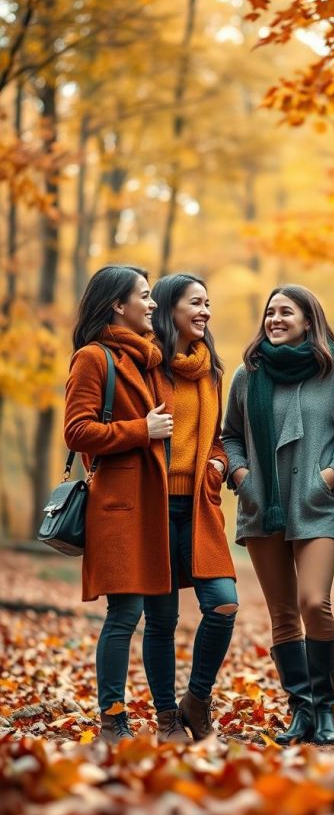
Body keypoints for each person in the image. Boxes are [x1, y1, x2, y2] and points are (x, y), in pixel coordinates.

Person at [222, 284, 334, 746]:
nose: (275, 319)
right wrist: (242, 476)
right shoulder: (247, 375)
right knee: (282, 613)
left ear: (308, 320)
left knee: (313, 602)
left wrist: (332, 475)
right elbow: (231, 436)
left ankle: (326, 710)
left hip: (316, 505)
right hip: (263, 506)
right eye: (269, 312)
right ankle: (300, 712)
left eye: (286, 312)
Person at [64, 265, 174, 743]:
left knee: (148, 615)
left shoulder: (146, 359)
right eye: (145, 296)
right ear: (117, 304)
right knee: (124, 614)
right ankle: (112, 719)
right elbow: (77, 431)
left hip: (151, 502)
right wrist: (141, 431)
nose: (152, 305)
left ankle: (153, 715)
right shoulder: (93, 358)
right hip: (117, 505)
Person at [142, 273, 238, 744]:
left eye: (207, 303)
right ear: (168, 308)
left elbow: (217, 440)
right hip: (152, 507)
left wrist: (218, 465)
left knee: (223, 603)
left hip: (200, 506)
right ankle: (165, 717)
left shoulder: (211, 371)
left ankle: (196, 702)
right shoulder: (146, 367)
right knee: (160, 619)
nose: (204, 311)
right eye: (194, 303)